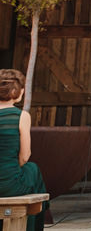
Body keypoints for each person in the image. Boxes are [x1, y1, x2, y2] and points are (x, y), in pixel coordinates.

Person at [0, 69, 48, 231]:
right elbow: (25, 156)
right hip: (8, 184)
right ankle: (35, 224)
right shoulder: (21, 116)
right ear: (15, 91)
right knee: (33, 169)